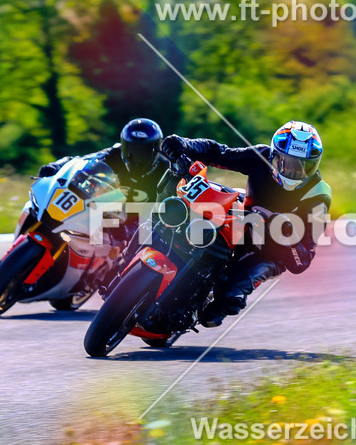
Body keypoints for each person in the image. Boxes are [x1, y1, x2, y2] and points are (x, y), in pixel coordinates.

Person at [161, 121, 332, 327]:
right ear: (274, 155)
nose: (295, 172)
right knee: (183, 190)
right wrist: (186, 145)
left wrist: (287, 236)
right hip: (242, 216)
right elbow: (219, 153)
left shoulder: (319, 196)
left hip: (269, 250)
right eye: (287, 163)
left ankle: (218, 299)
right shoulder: (260, 156)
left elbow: (301, 261)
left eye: (305, 166)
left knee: (225, 302)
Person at [38, 118, 167, 203]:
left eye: (143, 150)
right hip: (105, 220)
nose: (136, 155)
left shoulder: (166, 169)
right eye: (132, 149)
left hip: (145, 231)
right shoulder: (114, 153)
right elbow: (83, 160)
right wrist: (57, 166)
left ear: (156, 149)